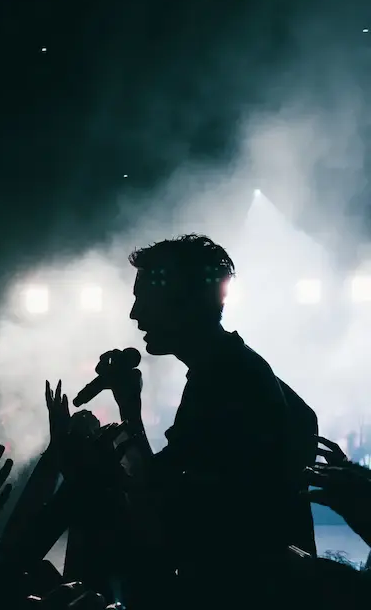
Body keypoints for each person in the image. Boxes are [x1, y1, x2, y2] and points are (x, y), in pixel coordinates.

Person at [124, 234, 318, 584]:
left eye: (145, 301)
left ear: (185, 302)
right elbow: (305, 419)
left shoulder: (225, 380)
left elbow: (160, 492)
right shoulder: (237, 366)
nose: (135, 315)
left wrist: (128, 411)